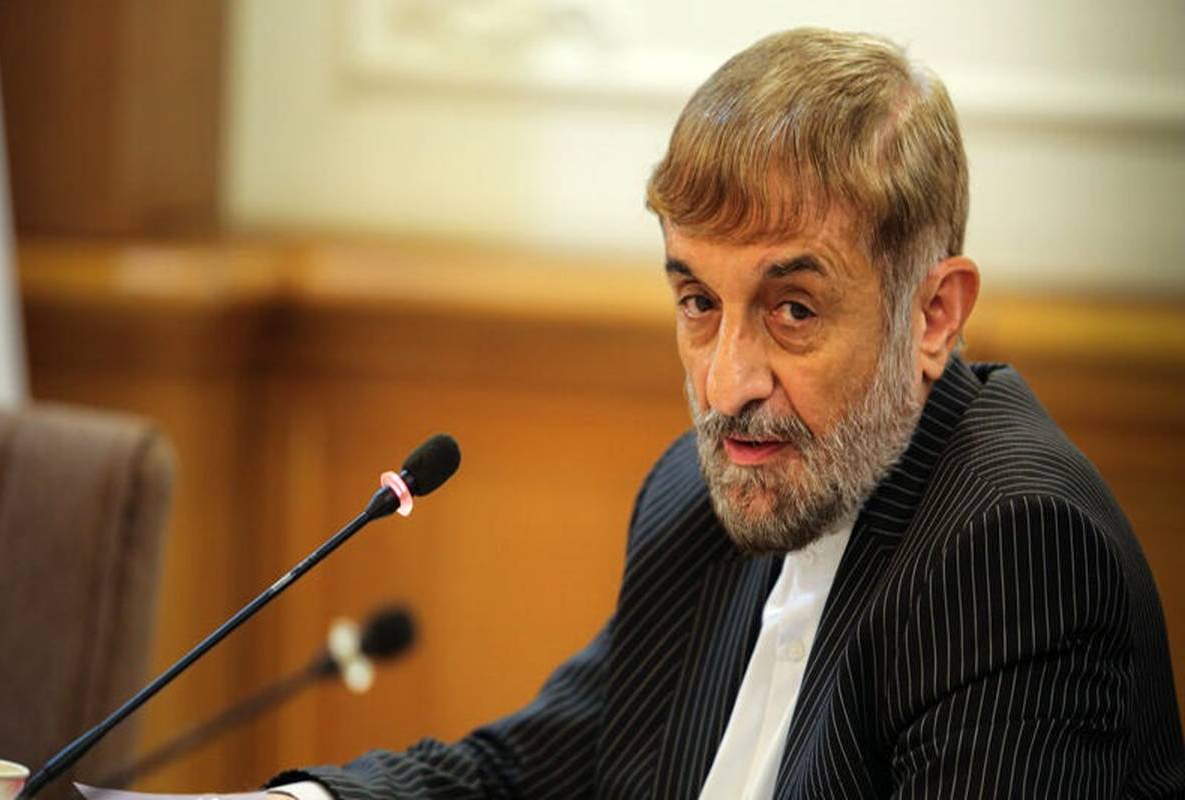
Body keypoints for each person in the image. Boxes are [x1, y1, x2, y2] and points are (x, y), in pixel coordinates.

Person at [269, 27, 1185, 799]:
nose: (725, 385)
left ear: (933, 314)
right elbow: (542, 768)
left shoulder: (1013, 552)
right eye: (699, 302)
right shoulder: (701, 495)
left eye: (794, 310)